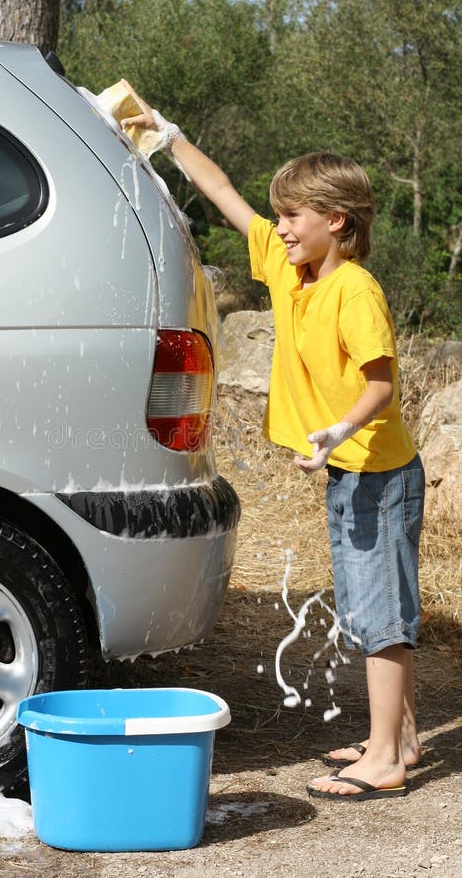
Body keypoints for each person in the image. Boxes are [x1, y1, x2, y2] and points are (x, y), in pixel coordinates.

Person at [119, 79, 425, 801]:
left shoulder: (355, 291)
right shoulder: (292, 273)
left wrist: (340, 428)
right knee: (368, 606)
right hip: (349, 470)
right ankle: (403, 736)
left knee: (381, 617)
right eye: (280, 215)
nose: (280, 227)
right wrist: (168, 135)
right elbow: (223, 192)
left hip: (378, 474)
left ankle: (386, 759)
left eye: (293, 215)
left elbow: (382, 385)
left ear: (336, 221)